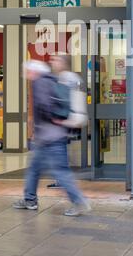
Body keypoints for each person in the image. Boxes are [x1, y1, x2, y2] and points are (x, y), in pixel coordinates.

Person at [13, 55, 90, 216]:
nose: (25, 74)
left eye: (27, 71)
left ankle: (78, 202)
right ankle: (29, 199)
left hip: (51, 136)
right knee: (34, 169)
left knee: (60, 171)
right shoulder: (51, 80)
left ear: (33, 71)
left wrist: (50, 119)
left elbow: (44, 105)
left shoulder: (40, 82)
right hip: (47, 136)